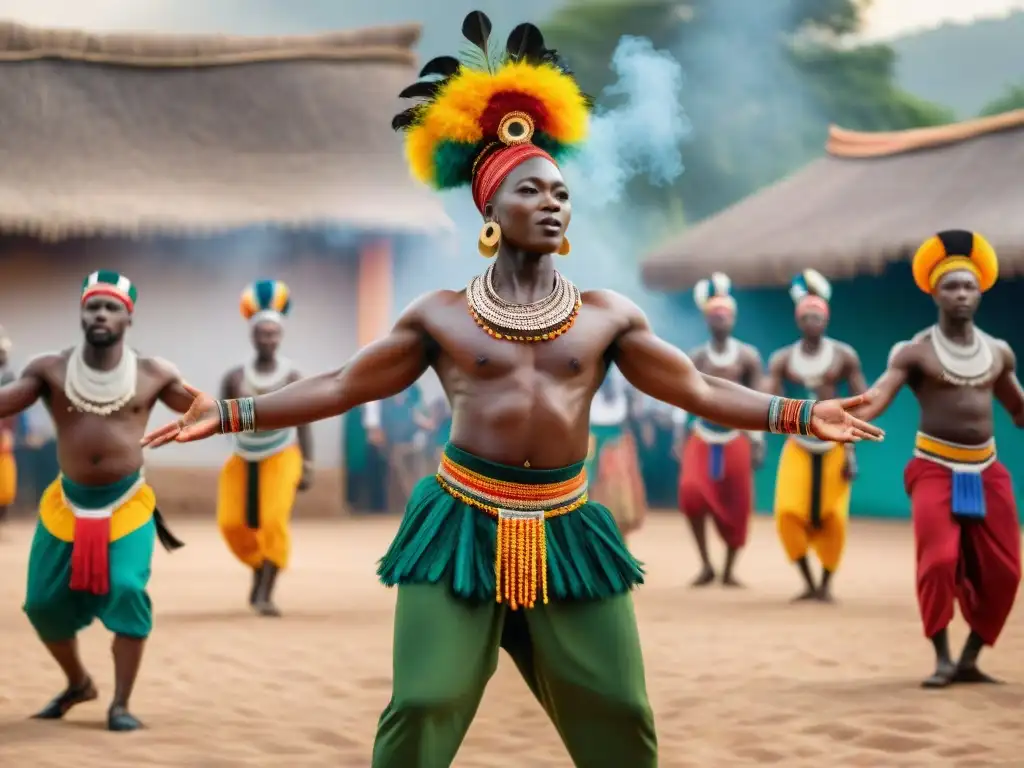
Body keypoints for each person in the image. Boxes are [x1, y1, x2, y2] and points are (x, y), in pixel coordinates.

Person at [142, 13, 882, 767]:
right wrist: (230, 412)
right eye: (531, 189)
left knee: (620, 708)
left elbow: (694, 385)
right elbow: (342, 383)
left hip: (567, 524)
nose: (554, 202)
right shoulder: (442, 317)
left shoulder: (604, 318)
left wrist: (799, 413)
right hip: (459, 523)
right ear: (491, 213)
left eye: (560, 191)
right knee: (426, 701)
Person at [0, 270, 194, 731]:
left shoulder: (154, 373)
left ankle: (121, 704)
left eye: (111, 308)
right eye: (93, 306)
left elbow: (203, 409)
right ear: (81, 313)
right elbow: (8, 400)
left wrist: (253, 411)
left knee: (127, 588)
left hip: (127, 505)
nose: (101, 314)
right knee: (42, 604)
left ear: (128, 318)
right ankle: (78, 683)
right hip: (66, 504)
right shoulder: (49, 368)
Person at [848, 230, 1021, 688]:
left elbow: (1018, 409)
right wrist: (841, 423)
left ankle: (969, 658)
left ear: (981, 290)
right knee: (939, 561)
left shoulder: (998, 352)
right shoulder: (915, 352)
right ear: (934, 292)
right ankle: (942, 658)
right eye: (951, 286)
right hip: (933, 467)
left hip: (987, 469)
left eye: (969, 286)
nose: (962, 294)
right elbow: (877, 395)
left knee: (1007, 570)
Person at [763, 270, 868, 603]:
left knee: (834, 518)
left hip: (835, 446)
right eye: (806, 316)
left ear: (826, 320)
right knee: (787, 513)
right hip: (798, 445)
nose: (811, 322)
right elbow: (768, 401)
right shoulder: (782, 360)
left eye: (817, 316)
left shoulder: (843, 356)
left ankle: (825, 584)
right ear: (798, 320)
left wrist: (851, 449)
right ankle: (808, 582)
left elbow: (860, 401)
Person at [217, 280, 313, 617]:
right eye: (262, 333)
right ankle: (259, 563)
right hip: (243, 456)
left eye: (274, 333)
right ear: (252, 335)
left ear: (280, 336)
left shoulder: (292, 375)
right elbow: (223, 417)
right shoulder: (234, 376)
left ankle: (265, 591)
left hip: (283, 453)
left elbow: (304, 420)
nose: (268, 339)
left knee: (272, 520)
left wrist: (308, 466)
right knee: (231, 523)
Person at [677, 273, 764, 587]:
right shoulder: (697, 357)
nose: (720, 321)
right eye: (714, 316)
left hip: (736, 438)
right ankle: (705, 565)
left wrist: (758, 441)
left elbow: (759, 401)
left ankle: (728, 569)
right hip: (702, 436)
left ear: (734, 319)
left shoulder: (748, 357)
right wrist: (679, 436)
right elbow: (681, 399)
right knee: (691, 495)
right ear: (706, 319)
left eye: (725, 316)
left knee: (738, 504)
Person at [586, 372, 648, 538]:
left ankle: (616, 535)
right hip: (591, 437)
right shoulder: (590, 368)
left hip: (616, 437)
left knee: (619, 491)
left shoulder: (623, 373)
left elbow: (635, 407)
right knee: (586, 485)